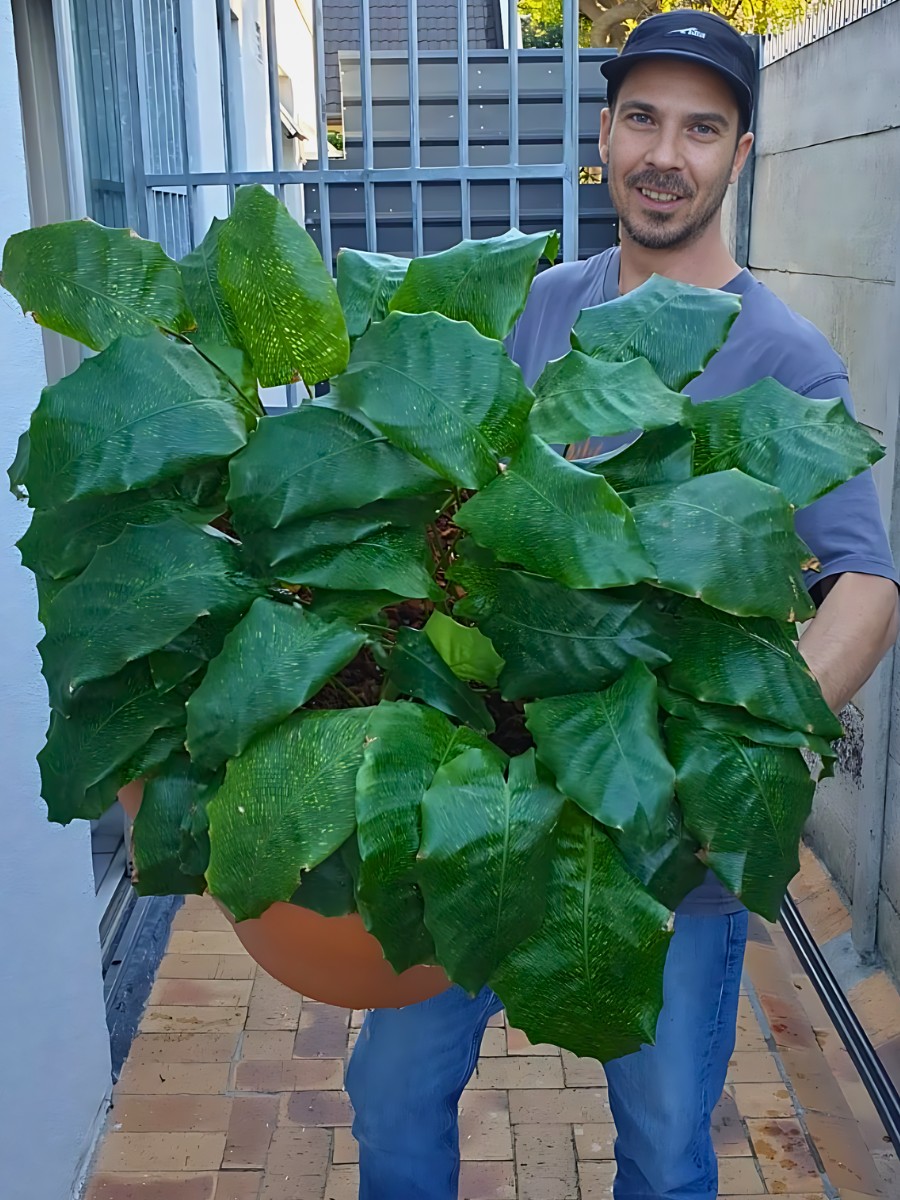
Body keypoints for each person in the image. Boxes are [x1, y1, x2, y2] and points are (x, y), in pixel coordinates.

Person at [345, 11, 900, 1199]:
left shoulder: (786, 358)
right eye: (642, 118)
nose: (665, 153)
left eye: (700, 129)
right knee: (388, 1094)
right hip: (491, 800)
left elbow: (864, 582)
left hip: (662, 846)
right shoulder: (540, 305)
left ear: (739, 154)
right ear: (604, 134)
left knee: (662, 1141)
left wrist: (728, 753)